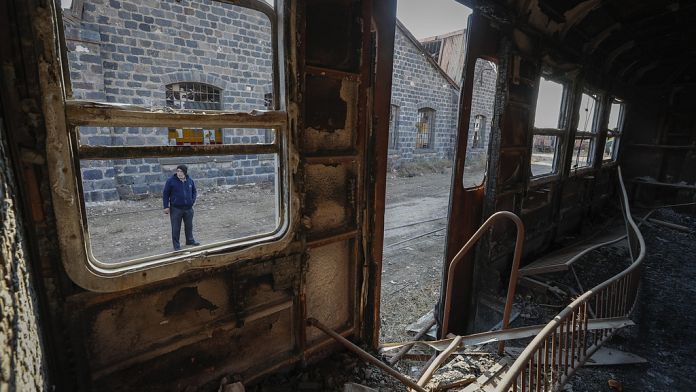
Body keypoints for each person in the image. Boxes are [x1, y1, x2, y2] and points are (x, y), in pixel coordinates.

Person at [163, 165, 200, 251]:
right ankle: (176, 245)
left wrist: (192, 200)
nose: (179, 173)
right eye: (177, 171)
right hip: (176, 208)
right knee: (176, 227)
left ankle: (190, 240)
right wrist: (166, 206)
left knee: (189, 226)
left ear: (185, 172)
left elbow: (194, 191)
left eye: (181, 171)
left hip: (188, 208)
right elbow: (165, 194)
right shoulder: (170, 181)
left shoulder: (190, 180)